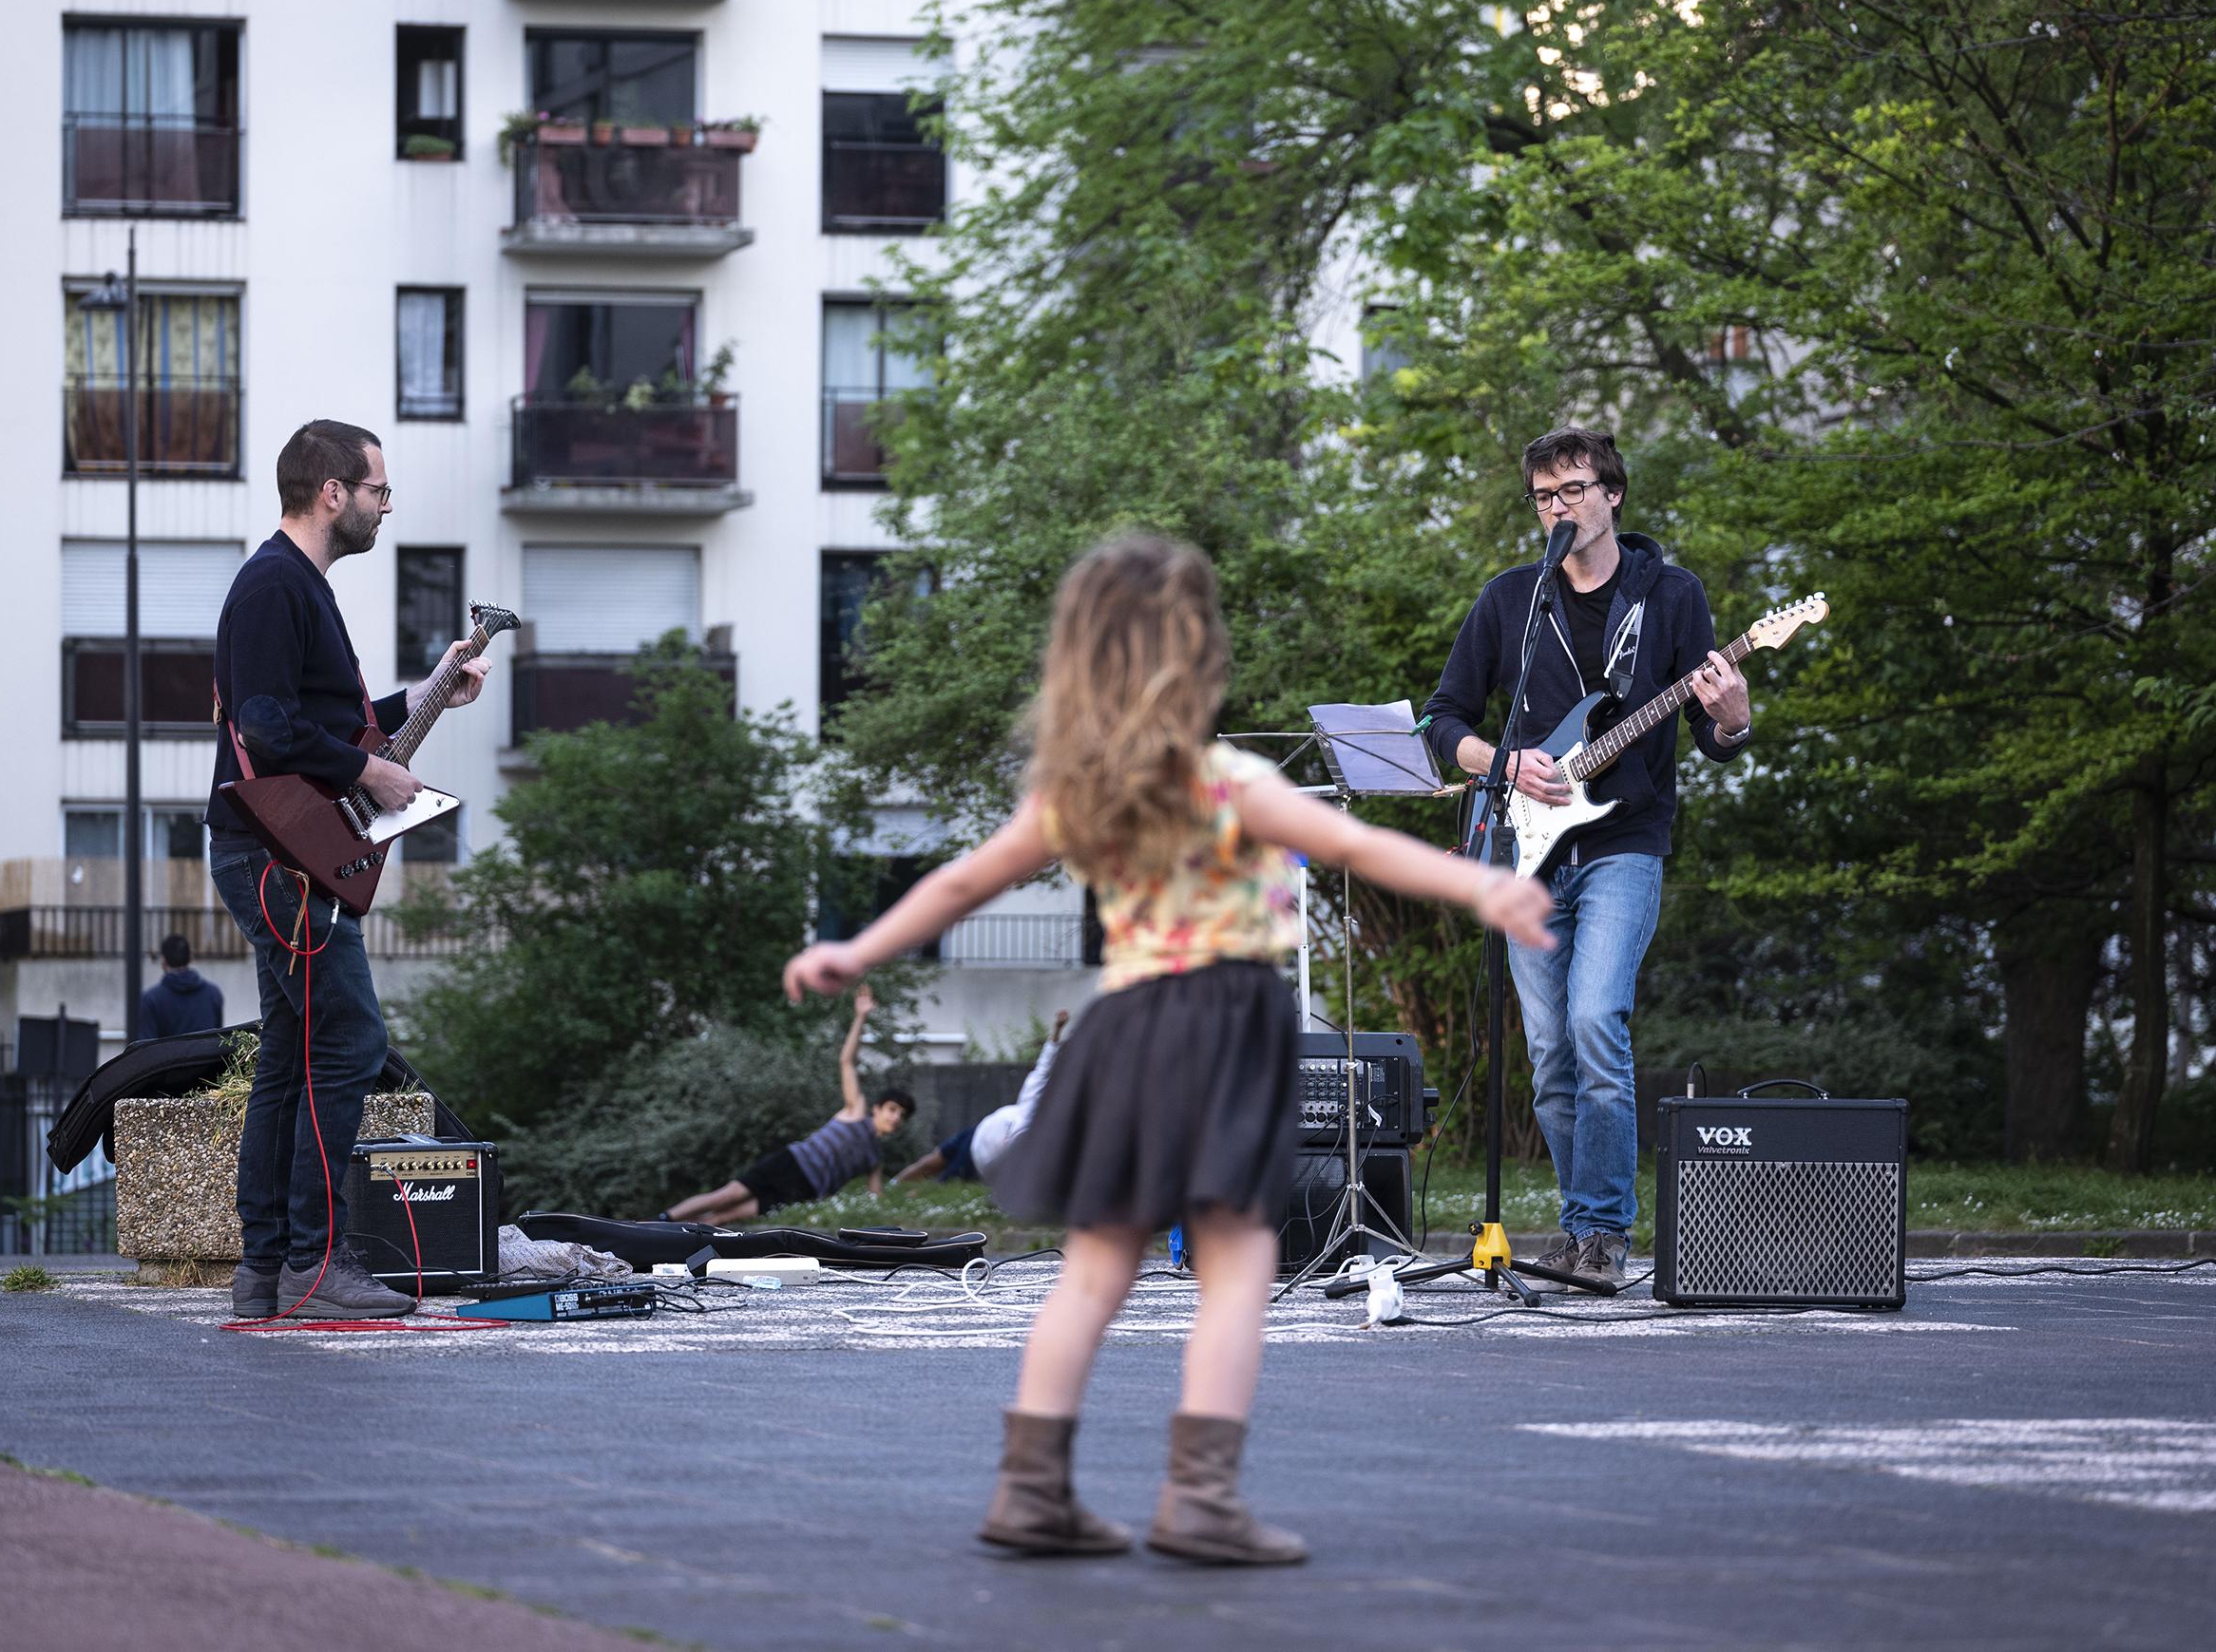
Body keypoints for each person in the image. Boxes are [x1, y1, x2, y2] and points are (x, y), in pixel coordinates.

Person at [784, 536, 1553, 1567]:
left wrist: (854, 948)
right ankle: (1198, 1500)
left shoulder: (1079, 789)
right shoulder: (1228, 780)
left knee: (1095, 1268)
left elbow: (958, 883)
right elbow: (1365, 848)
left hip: (1125, 1028)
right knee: (1234, 1267)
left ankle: (1030, 1491)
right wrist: (1484, 886)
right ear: (1194, 655)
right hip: (1224, 1031)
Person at [1423, 426, 1751, 1288]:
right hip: (1523, 850)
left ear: (1613, 495)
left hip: (1623, 843)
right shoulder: (1512, 600)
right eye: (1543, 497)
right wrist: (1503, 762)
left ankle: (1605, 1232)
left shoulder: (1672, 597)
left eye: (1573, 491)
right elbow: (1442, 720)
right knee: (1550, 1054)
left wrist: (1734, 713)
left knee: (1595, 1022)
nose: (1558, 509)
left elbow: (1714, 737)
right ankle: (1579, 1233)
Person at [206, 421, 489, 1322]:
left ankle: (267, 1269)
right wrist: (371, 771)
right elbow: (265, 729)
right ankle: (315, 1265)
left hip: (285, 859)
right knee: (350, 1045)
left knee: (292, 1057)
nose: (386, 504)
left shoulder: (298, 587)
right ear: (333, 492)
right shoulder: (271, 586)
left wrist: (430, 689)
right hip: (279, 862)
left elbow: (333, 718)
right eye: (377, 489)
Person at [659, 987, 917, 1225]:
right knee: (727, 1196)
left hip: (804, 1190)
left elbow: (877, 1198)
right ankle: (661, 1221)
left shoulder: (875, 1159)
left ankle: (679, 1241)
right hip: (791, 1162)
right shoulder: (856, 1111)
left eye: (902, 1116)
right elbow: (846, 1062)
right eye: (892, 1109)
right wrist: (861, 1017)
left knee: (728, 1216)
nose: (895, 1117)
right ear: (877, 1108)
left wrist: (907, 1212)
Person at [892, 1009, 1071, 1189]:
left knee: (940, 1184)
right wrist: (1057, 1030)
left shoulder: (1043, 1133)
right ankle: (892, 1187)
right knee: (929, 1162)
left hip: (976, 1159)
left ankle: (912, 1199)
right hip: (976, 1133)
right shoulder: (1033, 1101)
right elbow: (1044, 1067)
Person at [136, 932, 225, 1041]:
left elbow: (146, 1048)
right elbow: (219, 1040)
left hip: (167, 1058)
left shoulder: (151, 999)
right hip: (208, 1058)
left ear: (163, 961)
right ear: (190, 958)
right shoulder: (213, 994)